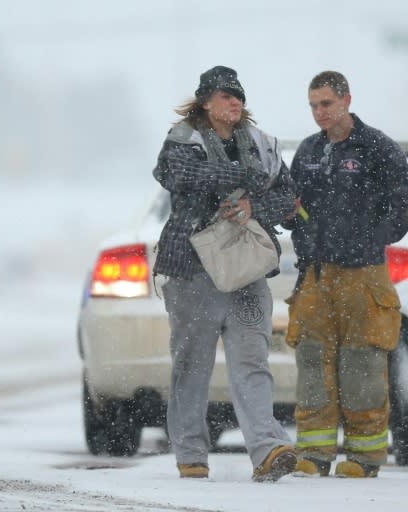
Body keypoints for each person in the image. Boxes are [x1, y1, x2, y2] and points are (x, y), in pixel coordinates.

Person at [153, 66, 297, 481]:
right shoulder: (184, 139)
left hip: (247, 271)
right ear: (205, 102)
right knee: (191, 365)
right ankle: (191, 454)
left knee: (253, 362)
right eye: (225, 95)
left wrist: (255, 207)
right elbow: (179, 176)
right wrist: (244, 177)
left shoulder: (263, 144)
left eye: (238, 96)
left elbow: (287, 196)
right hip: (192, 270)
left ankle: (267, 451)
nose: (235, 102)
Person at [283, 71, 408, 478]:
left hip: (363, 274)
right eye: (314, 105)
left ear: (346, 100)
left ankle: (365, 456)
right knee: (313, 361)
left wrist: (371, 237)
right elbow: (294, 205)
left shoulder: (377, 148)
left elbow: (402, 205)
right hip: (316, 276)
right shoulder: (308, 151)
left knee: (363, 364)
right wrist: (294, 222)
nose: (320, 113)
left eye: (327, 104)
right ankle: (315, 453)